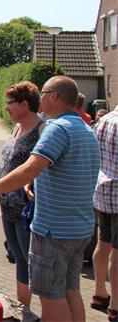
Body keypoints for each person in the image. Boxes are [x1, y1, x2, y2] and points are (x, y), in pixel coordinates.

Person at [0, 75, 100, 322]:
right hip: (80, 227)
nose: (40, 98)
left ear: (54, 96)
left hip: (54, 230)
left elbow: (29, 168)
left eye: (43, 93)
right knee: (71, 290)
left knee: (51, 296)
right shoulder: (85, 129)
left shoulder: (57, 128)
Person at [0, 81, 45, 314]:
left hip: (26, 209)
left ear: (25, 105)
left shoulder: (42, 130)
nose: (6, 107)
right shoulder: (17, 127)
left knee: (30, 260)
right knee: (18, 258)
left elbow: (43, 165)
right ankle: (22, 309)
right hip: (7, 206)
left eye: (10, 103)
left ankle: (38, 309)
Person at [91, 105, 118, 321]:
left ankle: (99, 292)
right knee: (116, 251)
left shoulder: (104, 120)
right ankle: (116, 306)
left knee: (103, 243)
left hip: (103, 192)